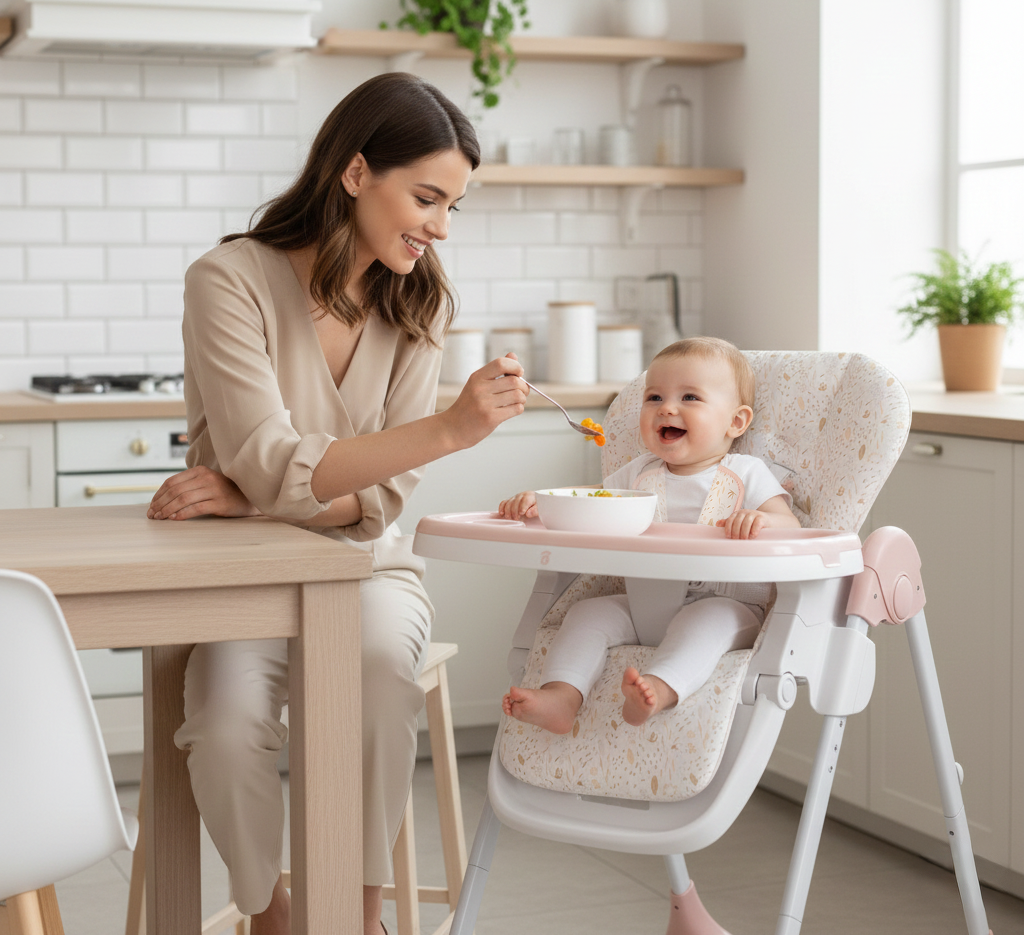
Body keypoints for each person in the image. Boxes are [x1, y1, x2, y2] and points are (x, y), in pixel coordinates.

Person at [145, 72, 528, 935]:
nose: (437, 227)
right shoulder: (228, 281)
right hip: (242, 577)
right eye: (426, 197)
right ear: (356, 173)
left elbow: (375, 501)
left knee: (378, 665)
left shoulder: (416, 305)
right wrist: (446, 431)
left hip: (367, 568)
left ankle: (356, 916)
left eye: (451, 208)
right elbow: (280, 463)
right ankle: (271, 912)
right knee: (224, 721)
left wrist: (250, 497)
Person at [498, 336, 800, 733]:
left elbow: (791, 527)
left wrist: (759, 521)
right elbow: (592, 505)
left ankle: (658, 688)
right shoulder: (638, 473)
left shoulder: (746, 472)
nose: (667, 408)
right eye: (654, 397)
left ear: (736, 422)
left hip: (726, 602)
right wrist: (543, 504)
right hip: (644, 604)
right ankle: (562, 696)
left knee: (707, 622)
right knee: (587, 614)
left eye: (690, 397)